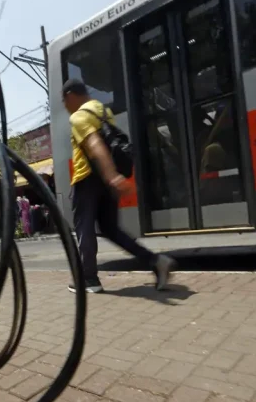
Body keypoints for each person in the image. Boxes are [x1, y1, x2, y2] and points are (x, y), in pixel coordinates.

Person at [63, 79, 177, 293]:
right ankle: (156, 261)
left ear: (70, 95)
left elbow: (95, 145)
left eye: (64, 100)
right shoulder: (102, 110)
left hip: (87, 179)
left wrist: (112, 175)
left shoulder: (78, 116)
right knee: (111, 229)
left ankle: (89, 280)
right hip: (106, 181)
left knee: (84, 228)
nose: (64, 105)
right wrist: (111, 178)